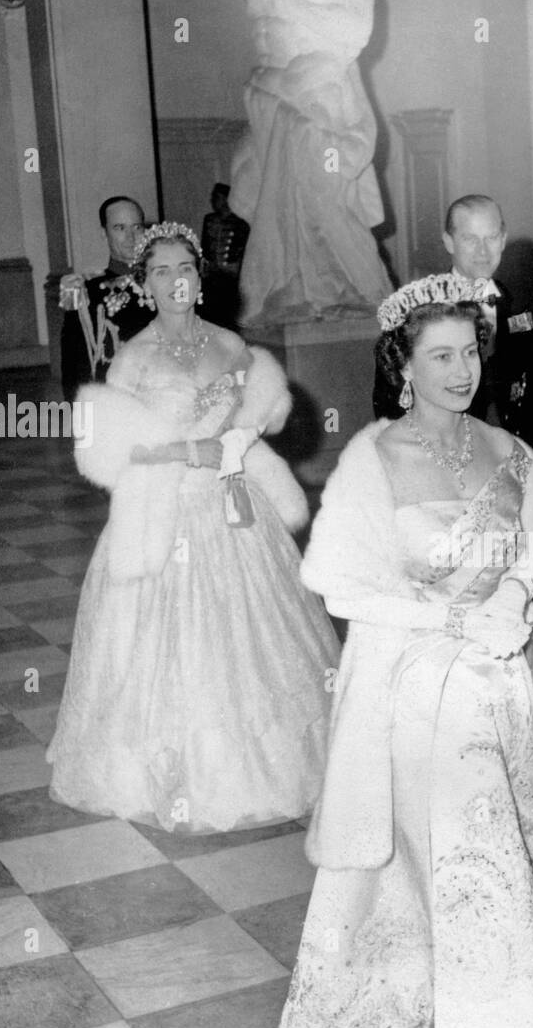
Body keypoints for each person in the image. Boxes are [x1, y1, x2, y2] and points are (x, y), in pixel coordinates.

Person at [267, 273, 533, 1028]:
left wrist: (512, 601)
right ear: (402, 367)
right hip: (417, 689)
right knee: (450, 867)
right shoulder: (374, 456)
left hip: (503, 684)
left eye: (469, 351)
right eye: (438, 355)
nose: (460, 369)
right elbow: (334, 580)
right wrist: (446, 615)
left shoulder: (509, 452)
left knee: (508, 861)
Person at [48, 221, 339, 834]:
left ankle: (270, 764)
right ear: (145, 285)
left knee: (258, 638)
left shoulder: (234, 347)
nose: (174, 281)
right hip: (166, 510)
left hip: (236, 508)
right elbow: (114, 453)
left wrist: (242, 437)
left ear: (199, 281)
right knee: (169, 647)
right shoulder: (132, 357)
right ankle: (178, 772)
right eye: (160, 272)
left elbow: (262, 414)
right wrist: (189, 452)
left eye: (185, 269)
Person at [443, 194, 533, 439]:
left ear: (503, 240)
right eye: (470, 239)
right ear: (449, 242)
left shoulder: (516, 304)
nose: (483, 251)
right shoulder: (425, 309)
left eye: (492, 238)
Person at [59, 197, 154, 402]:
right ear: (104, 233)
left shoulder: (166, 283)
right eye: (119, 228)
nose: (131, 237)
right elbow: (74, 365)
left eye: (137, 227)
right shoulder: (85, 290)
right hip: (114, 404)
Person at [200, 183, 250, 328]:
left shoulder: (240, 222)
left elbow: (242, 249)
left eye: (217, 197)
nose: (213, 201)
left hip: (231, 273)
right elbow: (204, 246)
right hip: (212, 274)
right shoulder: (209, 219)